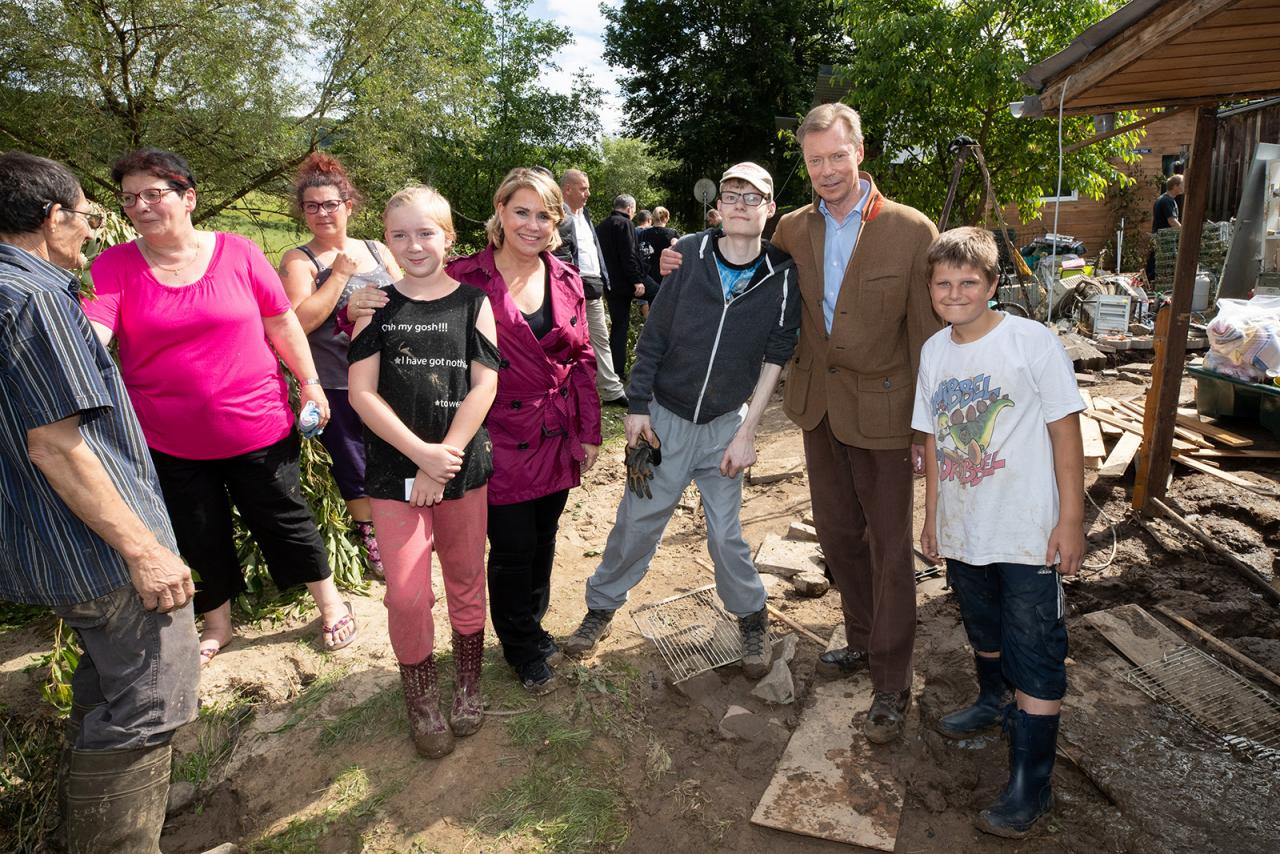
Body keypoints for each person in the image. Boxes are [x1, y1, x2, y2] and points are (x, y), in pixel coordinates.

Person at [661, 103, 941, 743]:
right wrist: (676, 258)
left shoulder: (910, 230)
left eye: (837, 156)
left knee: (891, 549)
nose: (827, 170)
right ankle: (864, 639)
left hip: (889, 414)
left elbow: (930, 340)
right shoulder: (792, 229)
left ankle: (893, 682)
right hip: (818, 410)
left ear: (860, 152)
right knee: (841, 539)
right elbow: (735, 249)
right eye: (815, 161)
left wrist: (929, 431)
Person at [85, 147, 357, 665]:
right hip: (168, 436)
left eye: (153, 194)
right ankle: (218, 622)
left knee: (284, 516)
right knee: (198, 529)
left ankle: (328, 601)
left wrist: (312, 384)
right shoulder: (114, 265)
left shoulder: (239, 252)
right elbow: (94, 334)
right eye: (129, 198)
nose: (140, 206)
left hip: (257, 424)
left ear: (188, 198)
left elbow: (280, 321)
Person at [0, 150, 199, 851]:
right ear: (52, 218)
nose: (90, 232)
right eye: (85, 217)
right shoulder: (38, 298)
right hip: (97, 547)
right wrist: (144, 550)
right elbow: (55, 444)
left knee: (108, 689)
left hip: (42, 541)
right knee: (150, 699)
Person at [346, 168, 602, 694]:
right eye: (520, 211)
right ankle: (521, 646)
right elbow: (399, 313)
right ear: (500, 214)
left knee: (545, 538)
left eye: (543, 215)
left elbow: (583, 360)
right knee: (511, 547)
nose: (531, 225)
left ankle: (530, 625)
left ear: (556, 221)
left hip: (556, 432)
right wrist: (354, 306)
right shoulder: (466, 277)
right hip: (492, 433)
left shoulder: (567, 279)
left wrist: (591, 429)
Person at [562, 163, 798, 679]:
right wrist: (638, 405)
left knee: (726, 534)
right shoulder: (688, 255)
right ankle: (600, 608)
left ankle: (752, 618)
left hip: (724, 428)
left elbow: (777, 355)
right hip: (663, 422)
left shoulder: (782, 275)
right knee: (637, 521)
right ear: (719, 206)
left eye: (752, 196)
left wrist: (748, 430)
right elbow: (656, 336)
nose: (739, 203)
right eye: (731, 193)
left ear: (769, 208)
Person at [916, 227, 1083, 838]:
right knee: (982, 624)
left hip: (1028, 528)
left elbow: (1067, 433)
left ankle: (1030, 784)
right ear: (930, 290)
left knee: (1035, 643)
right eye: (943, 284)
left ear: (991, 285)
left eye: (968, 282)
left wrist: (1071, 519)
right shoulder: (935, 353)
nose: (955, 293)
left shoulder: (1030, 342)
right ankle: (992, 700)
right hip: (965, 524)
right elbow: (932, 441)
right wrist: (932, 516)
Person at [349, 186, 499, 758]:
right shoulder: (373, 307)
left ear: (449, 237)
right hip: (395, 476)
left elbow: (484, 383)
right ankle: (419, 695)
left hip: (462, 471)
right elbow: (362, 394)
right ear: (386, 241)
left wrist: (447, 456)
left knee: (465, 578)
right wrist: (421, 455)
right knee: (407, 595)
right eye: (400, 235)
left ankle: (466, 683)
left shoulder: (473, 304)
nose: (414, 245)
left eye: (426, 232)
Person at [280, 152, 401, 576]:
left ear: (348, 206)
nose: (321, 213)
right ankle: (374, 540)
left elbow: (406, 300)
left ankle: (403, 526)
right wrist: (339, 277)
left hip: (391, 377)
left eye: (330, 204)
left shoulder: (377, 248)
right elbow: (296, 323)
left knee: (396, 451)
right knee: (355, 462)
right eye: (311, 206)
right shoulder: (299, 260)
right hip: (337, 382)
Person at [554, 169, 628, 406]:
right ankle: (564, 389)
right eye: (583, 188)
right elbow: (560, 255)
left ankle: (611, 390)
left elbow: (593, 251)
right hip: (570, 288)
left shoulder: (585, 214)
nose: (588, 193)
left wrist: (604, 278)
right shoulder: (556, 216)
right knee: (568, 341)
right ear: (568, 190)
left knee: (600, 337)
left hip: (593, 286)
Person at [595, 193, 647, 380]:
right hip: (626, 281)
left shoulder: (601, 226)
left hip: (608, 283)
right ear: (630, 209)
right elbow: (629, 254)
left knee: (618, 326)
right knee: (622, 325)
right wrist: (637, 280)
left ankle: (613, 370)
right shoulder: (625, 224)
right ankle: (621, 369)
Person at [1145, 173, 1184, 281]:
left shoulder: (1166, 199)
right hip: (1163, 238)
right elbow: (1172, 221)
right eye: (1182, 184)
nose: (1184, 186)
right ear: (1175, 186)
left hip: (1161, 237)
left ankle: (1148, 282)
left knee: (1155, 261)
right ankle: (1151, 284)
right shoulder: (1167, 201)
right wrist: (1185, 232)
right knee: (1159, 264)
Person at [638, 205, 679, 305]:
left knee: (653, 306)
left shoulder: (643, 234)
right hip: (667, 275)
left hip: (649, 275)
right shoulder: (671, 233)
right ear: (666, 218)